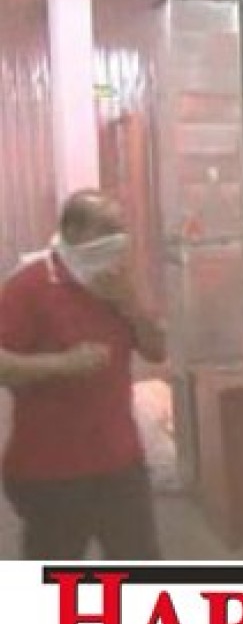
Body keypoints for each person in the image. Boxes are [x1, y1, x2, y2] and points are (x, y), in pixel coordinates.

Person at [0, 189, 166, 559]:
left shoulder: (120, 281)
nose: (119, 239)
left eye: (121, 228)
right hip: (50, 468)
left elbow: (157, 351)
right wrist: (63, 364)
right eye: (107, 229)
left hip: (120, 461)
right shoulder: (28, 285)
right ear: (73, 232)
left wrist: (130, 303)